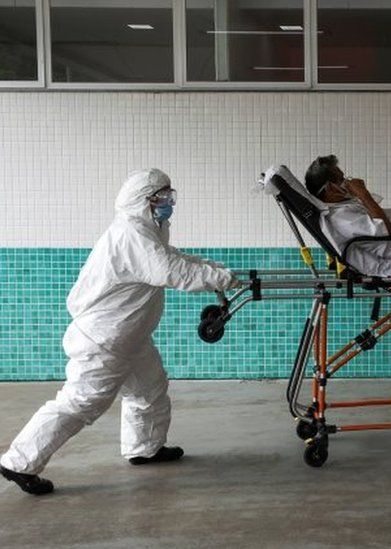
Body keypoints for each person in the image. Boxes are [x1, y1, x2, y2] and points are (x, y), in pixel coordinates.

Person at [0, 169, 238, 495]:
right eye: (162, 199)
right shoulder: (132, 236)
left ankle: (144, 447)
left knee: (149, 389)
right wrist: (218, 279)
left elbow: (173, 258)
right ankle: (18, 462)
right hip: (105, 340)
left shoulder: (146, 230)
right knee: (80, 403)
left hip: (129, 338)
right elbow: (170, 271)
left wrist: (214, 269)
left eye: (170, 197)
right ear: (144, 201)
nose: (168, 204)